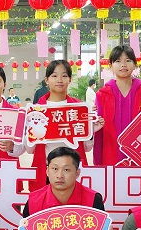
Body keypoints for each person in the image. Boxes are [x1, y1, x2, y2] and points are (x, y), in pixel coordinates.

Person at [30, 60, 101, 190]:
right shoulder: (36, 110)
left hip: (72, 171)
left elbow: (86, 148)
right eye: (54, 76)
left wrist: (91, 130)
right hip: (46, 170)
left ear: (70, 79)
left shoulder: (79, 108)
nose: (59, 80)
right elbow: (30, 149)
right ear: (46, 80)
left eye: (64, 76)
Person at [94, 45, 141, 166]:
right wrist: (98, 164)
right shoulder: (102, 95)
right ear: (111, 65)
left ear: (135, 64)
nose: (123, 65)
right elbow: (99, 133)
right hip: (110, 156)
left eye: (128, 60)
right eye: (118, 61)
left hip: (139, 157)